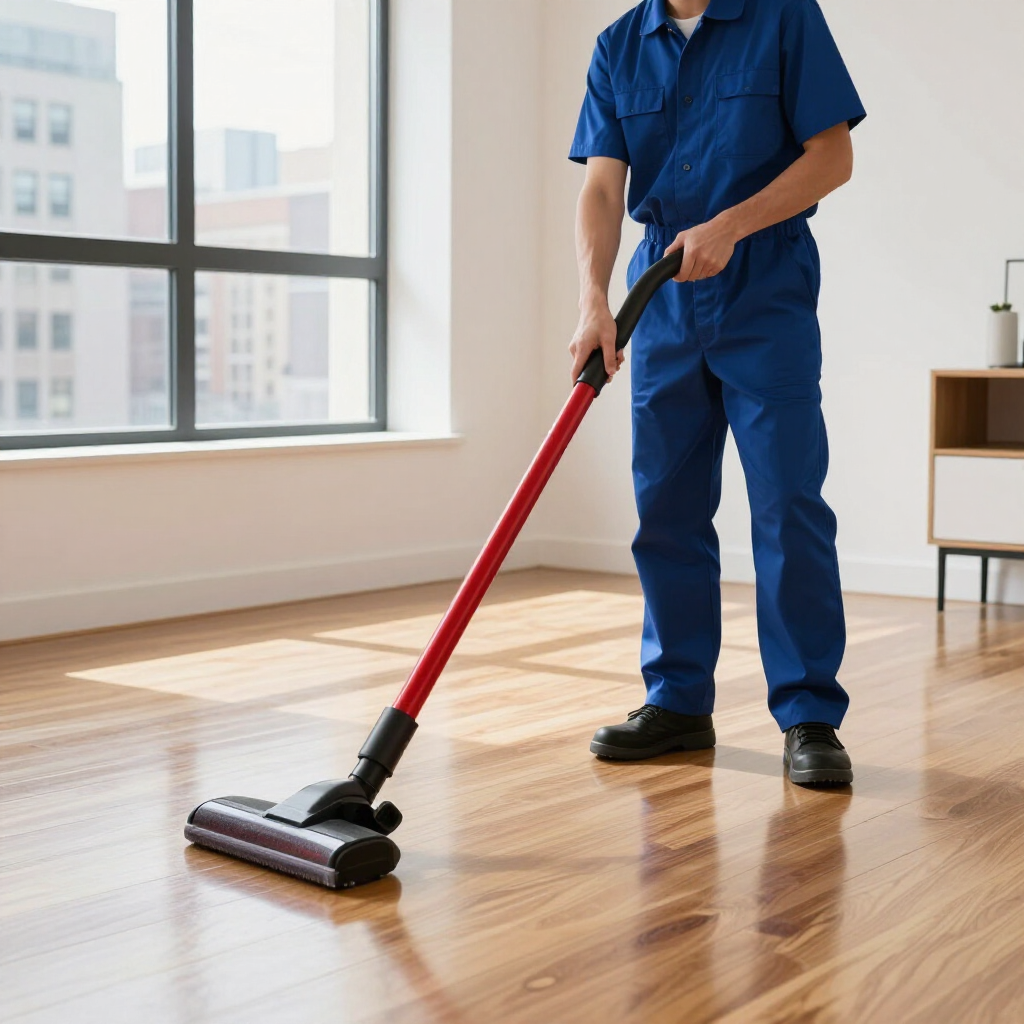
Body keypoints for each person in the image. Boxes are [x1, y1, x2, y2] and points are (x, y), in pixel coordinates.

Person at [569, 0, 865, 785]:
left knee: (787, 501)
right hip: (659, 296)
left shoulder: (783, 18)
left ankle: (808, 713)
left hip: (764, 284)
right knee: (664, 505)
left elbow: (831, 157)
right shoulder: (617, 46)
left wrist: (733, 222)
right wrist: (594, 300)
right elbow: (603, 187)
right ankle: (676, 702)